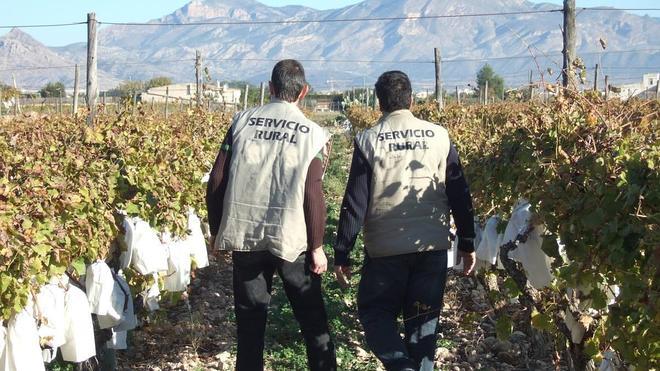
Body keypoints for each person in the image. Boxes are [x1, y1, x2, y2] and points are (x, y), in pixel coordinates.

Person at [333, 71, 476, 371]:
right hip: (431, 248)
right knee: (423, 329)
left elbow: (355, 202)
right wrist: (467, 241)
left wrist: (342, 252)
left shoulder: (368, 140)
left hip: (386, 252)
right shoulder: (439, 136)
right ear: (411, 99)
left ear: (378, 104)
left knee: (376, 313)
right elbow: (458, 191)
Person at [206, 59, 337, 371]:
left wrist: (217, 231)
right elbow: (312, 193)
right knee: (313, 323)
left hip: (246, 234)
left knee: (250, 327)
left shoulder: (241, 122)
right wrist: (317, 245)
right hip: (291, 237)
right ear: (303, 91)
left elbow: (216, 180)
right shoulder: (314, 133)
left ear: (270, 87)